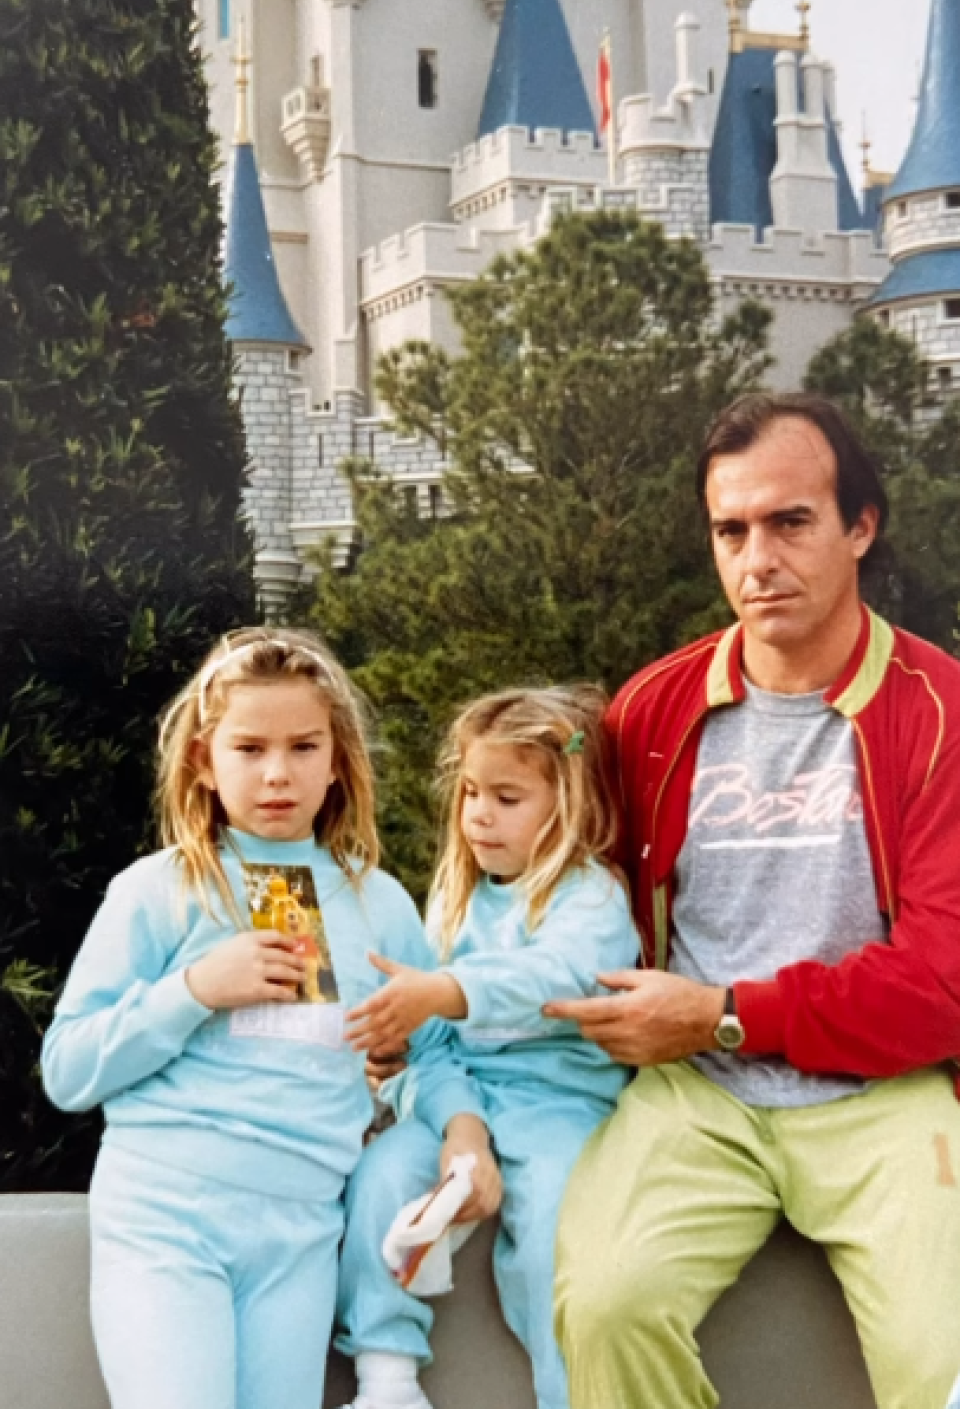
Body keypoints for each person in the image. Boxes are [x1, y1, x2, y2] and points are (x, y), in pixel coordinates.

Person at [546, 393, 960, 1409]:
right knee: (605, 1303)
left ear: (861, 526)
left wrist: (729, 1009)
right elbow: (554, 897)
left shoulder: (942, 709)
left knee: (944, 1352)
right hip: (696, 1091)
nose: (757, 558)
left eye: (791, 521)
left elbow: (943, 982)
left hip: (887, 1092)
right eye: (731, 529)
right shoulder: (651, 708)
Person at [42, 628, 498, 1409]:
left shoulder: (379, 902)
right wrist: (192, 989)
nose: (277, 773)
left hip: (300, 1235)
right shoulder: (156, 890)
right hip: (166, 1220)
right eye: (249, 748)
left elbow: (433, 1051)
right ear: (203, 760)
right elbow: (69, 1068)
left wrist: (465, 1134)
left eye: (303, 747)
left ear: (337, 761)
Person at [334, 686, 639, 1409]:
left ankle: (570, 1394)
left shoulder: (590, 895)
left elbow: (557, 977)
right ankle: (387, 1381)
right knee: (379, 1180)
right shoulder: (454, 899)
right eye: (471, 791)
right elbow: (430, 1042)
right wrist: (407, 1060)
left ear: (569, 806)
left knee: (553, 1243)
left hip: (559, 1105)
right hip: (459, 1098)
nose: (479, 813)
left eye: (507, 797)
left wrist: (445, 989)